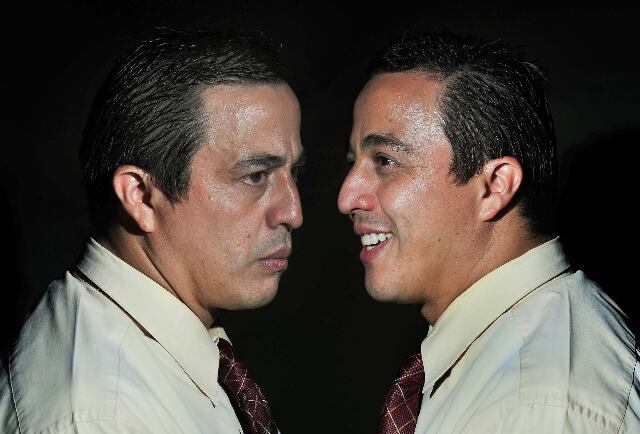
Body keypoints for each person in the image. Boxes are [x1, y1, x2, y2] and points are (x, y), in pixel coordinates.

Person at [0, 28, 304, 433]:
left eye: (295, 173)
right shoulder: (102, 418)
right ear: (140, 197)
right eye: (255, 176)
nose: (293, 212)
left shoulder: (149, 354)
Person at [338, 31, 639, 433]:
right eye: (353, 161)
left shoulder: (535, 407)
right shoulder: (515, 366)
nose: (347, 197)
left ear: (495, 186)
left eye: (385, 161)